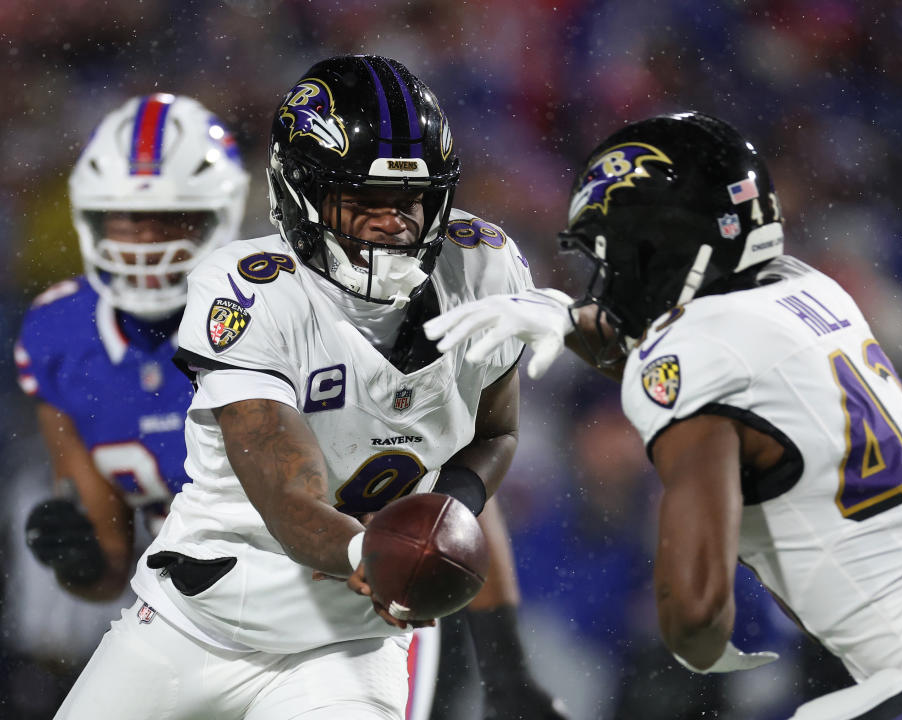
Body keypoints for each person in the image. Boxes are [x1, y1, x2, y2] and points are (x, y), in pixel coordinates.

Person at [425, 111, 902, 718]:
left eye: (623, 252)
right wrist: (571, 323)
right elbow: (701, 352)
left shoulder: (697, 350)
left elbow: (697, 614)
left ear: (674, 246)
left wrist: (693, 643)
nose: (612, 276)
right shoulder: (811, 289)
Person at [51, 54, 562, 720]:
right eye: (364, 202)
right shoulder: (249, 289)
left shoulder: (484, 264)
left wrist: (449, 511)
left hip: (349, 641)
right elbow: (285, 490)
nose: (394, 223)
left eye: (410, 199)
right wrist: (369, 549)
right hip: (197, 621)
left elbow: (495, 432)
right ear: (302, 195)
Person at [18, 92, 249, 602]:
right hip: (187, 613)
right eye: (127, 218)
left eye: (170, 218)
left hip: (323, 592)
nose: (147, 242)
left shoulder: (276, 313)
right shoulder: (59, 335)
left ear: (221, 215)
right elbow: (107, 569)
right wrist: (74, 553)